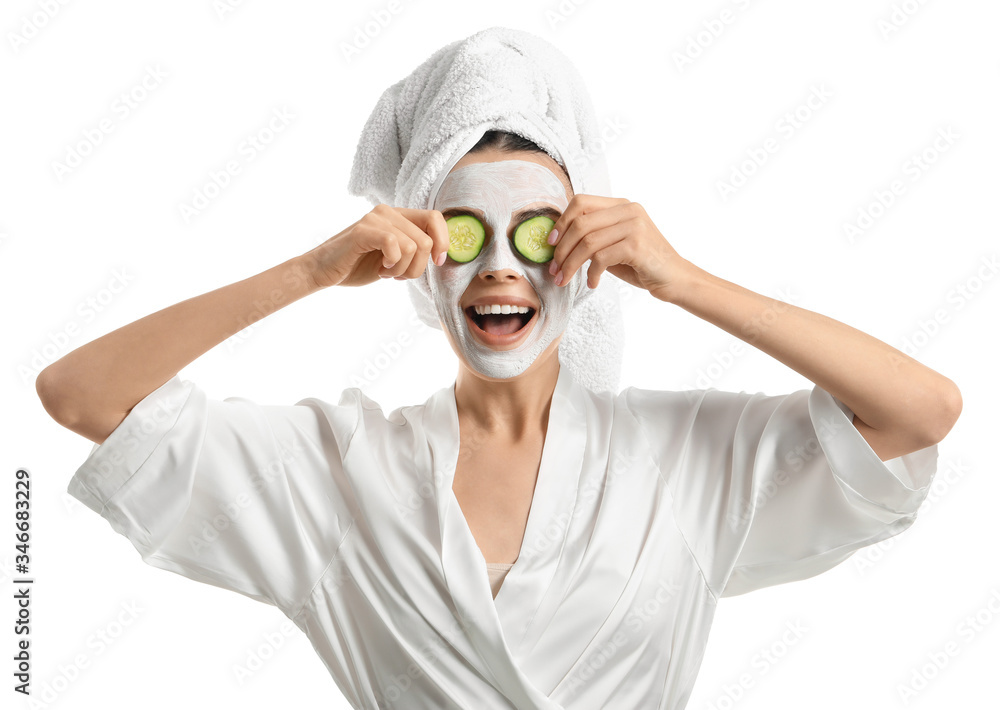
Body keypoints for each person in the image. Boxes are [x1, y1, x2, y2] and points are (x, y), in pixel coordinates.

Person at [36, 32, 962, 710]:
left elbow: (920, 411)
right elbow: (80, 394)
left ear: (582, 251)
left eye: (534, 233)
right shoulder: (338, 472)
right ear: (424, 259)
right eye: (466, 232)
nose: (500, 270)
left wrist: (685, 281)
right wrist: (310, 272)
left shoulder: (680, 459)